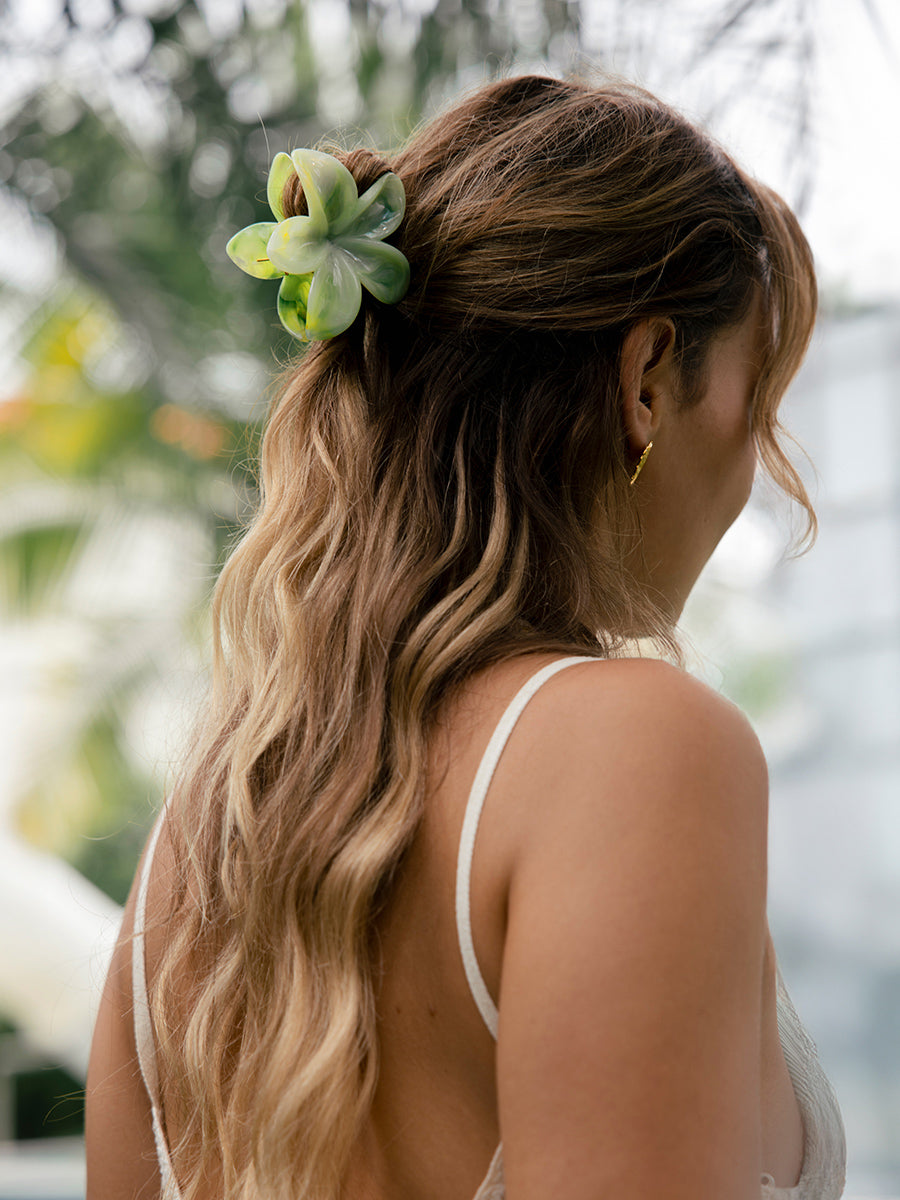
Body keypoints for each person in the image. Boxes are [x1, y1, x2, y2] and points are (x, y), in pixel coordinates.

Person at [85, 74, 846, 1200]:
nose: (757, 472)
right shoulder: (631, 749)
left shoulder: (203, 843)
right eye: (757, 401)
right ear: (645, 380)